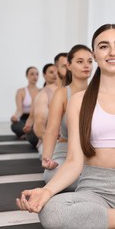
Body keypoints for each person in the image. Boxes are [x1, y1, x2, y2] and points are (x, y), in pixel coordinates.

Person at [16, 24, 115, 229]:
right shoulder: (79, 101)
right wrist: (46, 191)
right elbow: (74, 161)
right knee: (52, 212)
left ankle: (109, 228)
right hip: (94, 189)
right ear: (95, 55)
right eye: (104, 46)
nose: (113, 52)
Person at [42, 44, 93, 191]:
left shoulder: (99, 92)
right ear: (69, 66)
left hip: (91, 153)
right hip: (66, 152)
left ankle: (93, 183)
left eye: (90, 61)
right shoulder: (62, 93)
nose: (86, 65)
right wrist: (47, 158)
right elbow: (51, 130)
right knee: (52, 175)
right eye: (80, 61)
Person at [24, 55, 68, 149]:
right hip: (50, 137)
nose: (68, 68)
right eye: (64, 66)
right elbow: (38, 121)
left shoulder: (77, 92)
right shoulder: (43, 94)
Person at [10, 66, 39, 139]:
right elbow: (19, 110)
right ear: (27, 76)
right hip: (24, 119)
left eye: (37, 74)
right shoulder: (21, 91)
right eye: (32, 74)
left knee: (39, 125)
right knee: (15, 126)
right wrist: (15, 117)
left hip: (36, 119)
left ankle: (28, 134)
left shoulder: (41, 91)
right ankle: (30, 133)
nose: (35, 76)